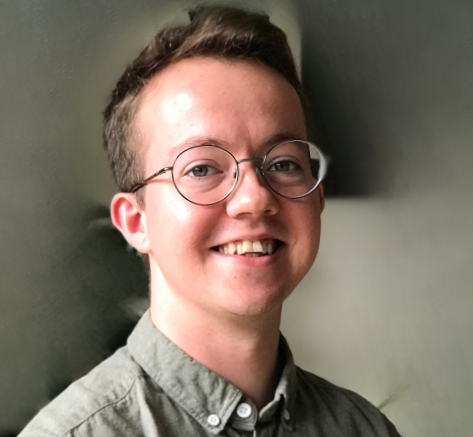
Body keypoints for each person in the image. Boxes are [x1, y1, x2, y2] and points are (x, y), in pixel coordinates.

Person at [20, 6, 401, 436]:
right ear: (136, 221)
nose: (255, 198)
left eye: (283, 164)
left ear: (317, 200)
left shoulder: (365, 428)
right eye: (201, 169)